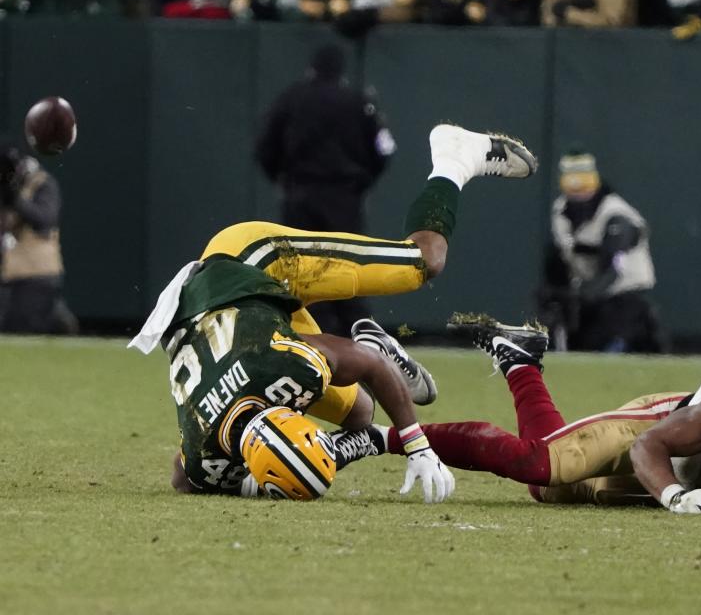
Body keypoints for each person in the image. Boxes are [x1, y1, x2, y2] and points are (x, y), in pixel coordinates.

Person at [127, 124, 538, 503]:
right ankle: (366, 343)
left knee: (422, 261)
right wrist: (263, 478)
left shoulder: (284, 366)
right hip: (247, 320)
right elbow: (183, 477)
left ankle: (455, 157)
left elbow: (369, 368)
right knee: (360, 412)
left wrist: (416, 443)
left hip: (252, 261)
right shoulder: (204, 460)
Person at [371, 317, 701, 516]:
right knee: (539, 464)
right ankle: (381, 439)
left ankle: (519, 361)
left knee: (545, 489)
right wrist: (674, 497)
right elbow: (651, 448)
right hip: (661, 437)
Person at [255, 44, 395, 337]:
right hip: (344, 198)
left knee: (300, 272)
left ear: (312, 68)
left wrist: (282, 179)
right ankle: (360, 339)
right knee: (348, 269)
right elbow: (384, 150)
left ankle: (309, 337)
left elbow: (264, 148)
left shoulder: (291, 98)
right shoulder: (357, 101)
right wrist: (362, 181)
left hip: (300, 196)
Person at [539, 148, 664, 353]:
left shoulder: (616, 215)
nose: (579, 194)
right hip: (589, 297)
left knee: (611, 337)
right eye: (573, 187)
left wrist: (581, 298)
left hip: (625, 299)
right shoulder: (561, 211)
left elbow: (613, 269)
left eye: (584, 185)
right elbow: (559, 258)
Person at [0, 144, 77, 335]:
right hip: (10, 275)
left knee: (26, 327)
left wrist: (15, 199)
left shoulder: (41, 183)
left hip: (36, 274)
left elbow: (45, 219)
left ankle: (57, 318)